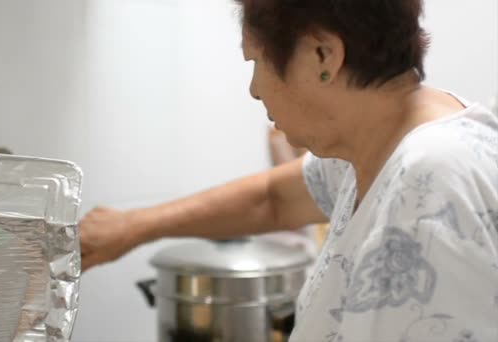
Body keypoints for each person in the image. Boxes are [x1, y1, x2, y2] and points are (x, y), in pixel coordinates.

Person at [78, 0, 498, 340]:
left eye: (256, 61)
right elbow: (272, 199)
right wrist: (132, 226)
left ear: (324, 55)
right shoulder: (376, 147)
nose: (254, 88)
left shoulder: (430, 180)